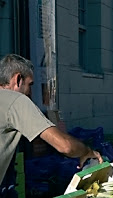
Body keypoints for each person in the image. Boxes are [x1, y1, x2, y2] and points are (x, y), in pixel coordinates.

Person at [0, 54, 103, 188]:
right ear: (18, 79)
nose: (31, 92)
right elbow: (65, 145)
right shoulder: (16, 100)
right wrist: (87, 151)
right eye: (30, 84)